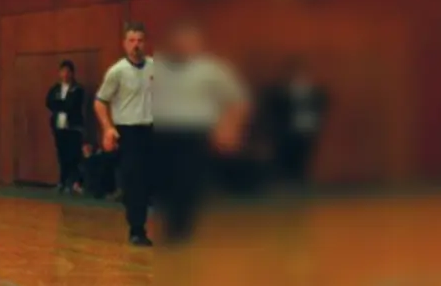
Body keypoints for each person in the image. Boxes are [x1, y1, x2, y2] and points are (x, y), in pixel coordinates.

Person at [149, 20, 249, 245]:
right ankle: (170, 222)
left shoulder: (213, 69)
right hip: (163, 133)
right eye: (179, 41)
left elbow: (237, 101)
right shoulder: (159, 68)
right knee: (165, 181)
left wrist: (229, 128)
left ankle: (179, 231)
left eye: (189, 41)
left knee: (186, 181)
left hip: (195, 134)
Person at [95, 23, 155, 246]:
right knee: (135, 181)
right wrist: (108, 128)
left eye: (139, 40)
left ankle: (140, 216)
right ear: (124, 44)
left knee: (149, 180)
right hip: (128, 131)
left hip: (150, 129)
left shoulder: (154, 67)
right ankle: (137, 229)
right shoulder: (117, 71)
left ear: (145, 42)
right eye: (131, 41)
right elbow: (100, 102)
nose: (136, 45)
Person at [262, 57, 328, 187]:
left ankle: (300, 181)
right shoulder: (281, 92)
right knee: (285, 157)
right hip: (287, 131)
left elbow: (322, 105)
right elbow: (275, 109)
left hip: (307, 129)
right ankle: (285, 182)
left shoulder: (315, 92)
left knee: (304, 157)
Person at [46, 60, 88, 193]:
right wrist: (61, 104)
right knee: (62, 155)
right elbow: (49, 102)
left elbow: (72, 105)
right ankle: (62, 182)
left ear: (72, 73)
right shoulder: (55, 89)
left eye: (68, 71)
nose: (65, 74)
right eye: (62, 71)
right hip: (59, 127)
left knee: (73, 155)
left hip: (73, 127)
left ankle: (74, 182)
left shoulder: (78, 89)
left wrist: (60, 104)